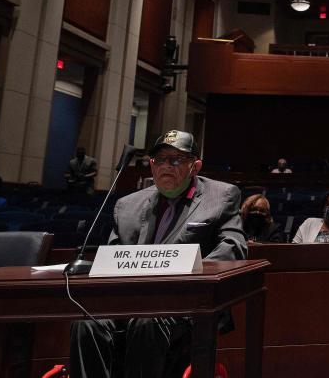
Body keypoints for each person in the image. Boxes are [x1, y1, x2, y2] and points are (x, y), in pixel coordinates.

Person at [70, 130, 247, 378]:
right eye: (159, 159)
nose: (166, 165)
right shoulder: (127, 205)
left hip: (185, 302)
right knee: (86, 323)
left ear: (195, 166)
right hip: (130, 298)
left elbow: (234, 246)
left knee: (147, 321)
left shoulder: (221, 196)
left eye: (176, 159)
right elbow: (113, 255)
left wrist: (193, 274)